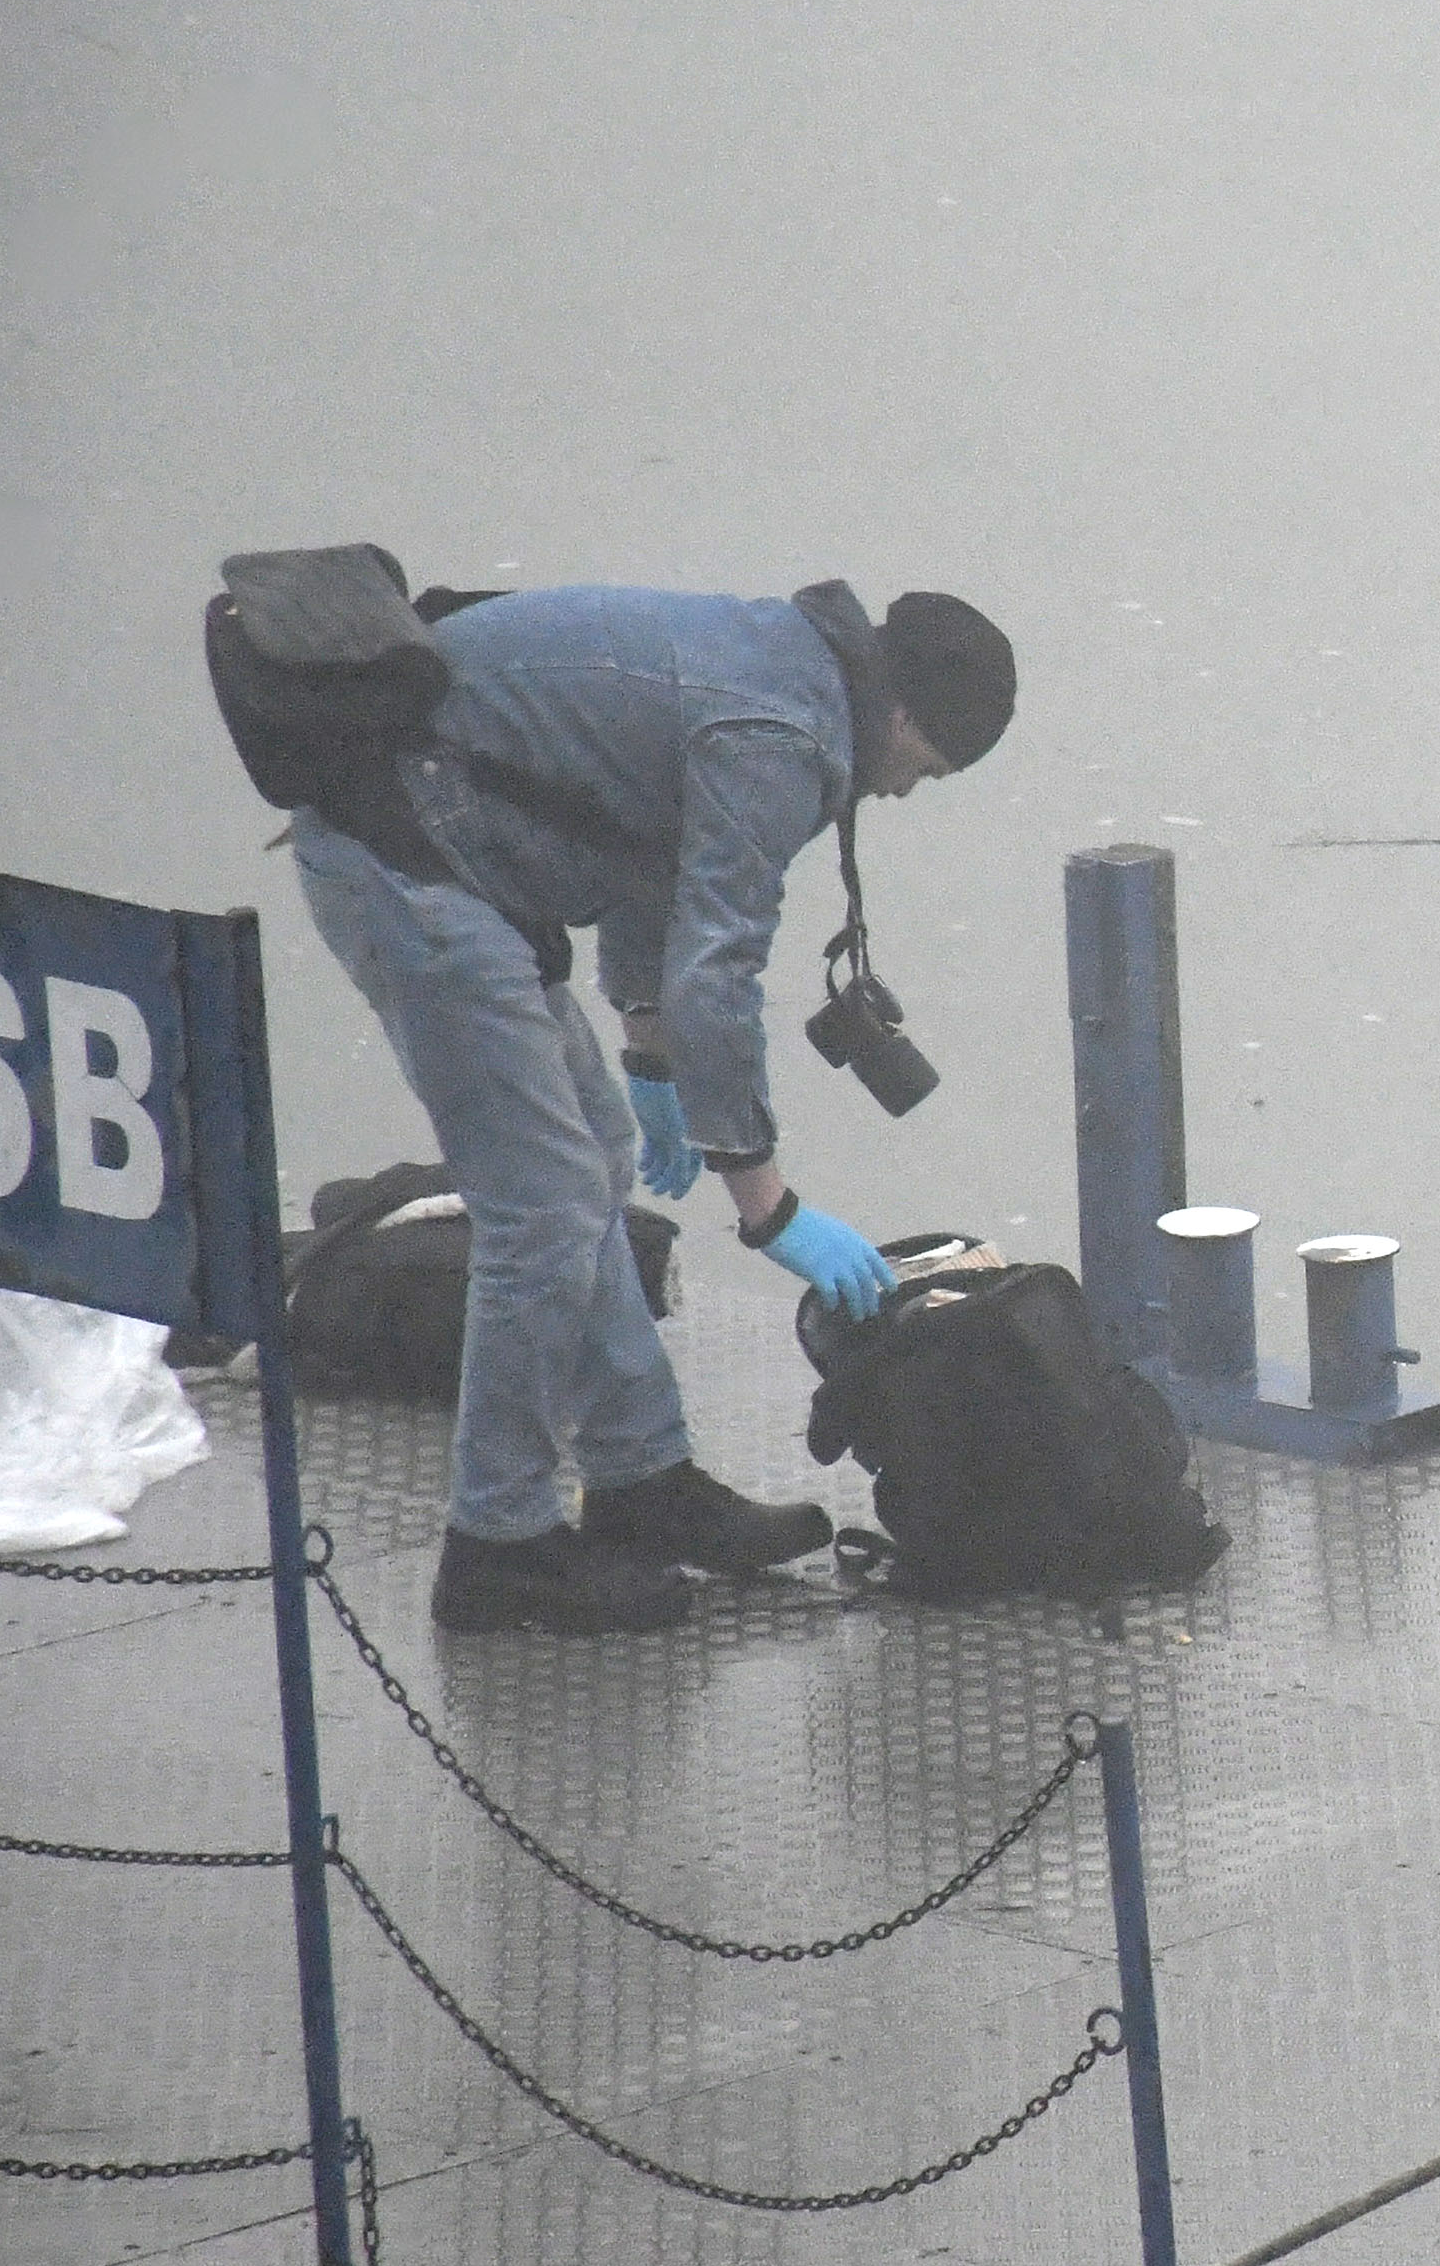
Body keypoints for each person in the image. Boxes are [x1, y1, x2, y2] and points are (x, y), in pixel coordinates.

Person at [291, 577, 1014, 1635]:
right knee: (541, 1209)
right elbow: (716, 973)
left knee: (590, 1154)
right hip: (404, 857)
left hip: (456, 843)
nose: (906, 789)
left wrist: (649, 1054)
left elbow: (648, 844)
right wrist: (769, 1206)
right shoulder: (785, 737)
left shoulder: (789, 666)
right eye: (927, 767)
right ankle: (499, 1547)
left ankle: (640, 1478)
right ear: (903, 715)